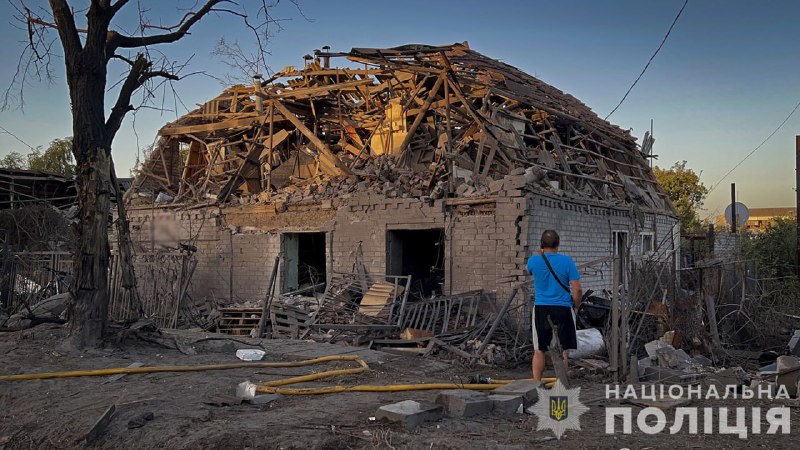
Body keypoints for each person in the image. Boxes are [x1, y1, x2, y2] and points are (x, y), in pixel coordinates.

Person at [527, 229, 582, 381]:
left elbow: (530, 271)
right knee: (563, 350)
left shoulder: (533, 261)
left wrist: (541, 253)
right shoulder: (567, 261)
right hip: (564, 308)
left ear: (541, 245)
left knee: (539, 350)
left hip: (541, 308)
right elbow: (577, 289)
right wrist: (576, 306)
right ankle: (561, 384)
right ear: (558, 244)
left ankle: (537, 385)